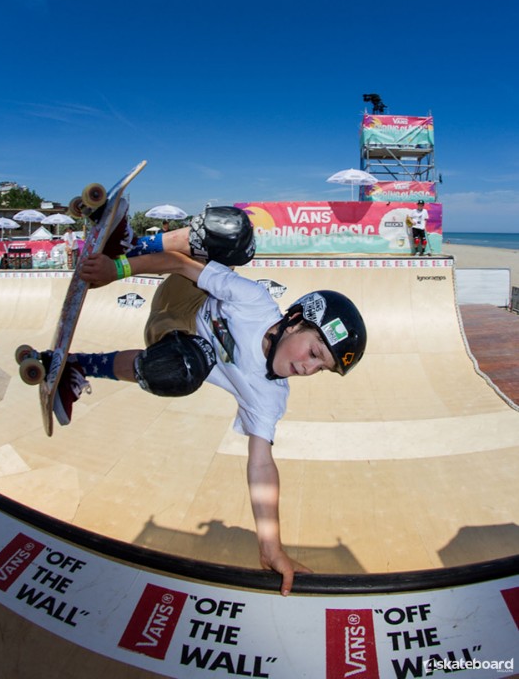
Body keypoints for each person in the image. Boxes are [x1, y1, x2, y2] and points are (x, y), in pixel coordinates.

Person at [46, 206, 367, 595]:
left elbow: (262, 464)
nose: (308, 368)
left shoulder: (269, 396)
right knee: (232, 231)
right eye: (314, 353)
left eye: (321, 368)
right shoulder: (253, 301)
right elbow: (177, 264)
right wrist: (118, 269)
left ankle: (78, 366)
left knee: (182, 367)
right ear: (295, 320)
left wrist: (271, 547)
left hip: (172, 332)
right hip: (185, 290)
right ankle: (133, 244)